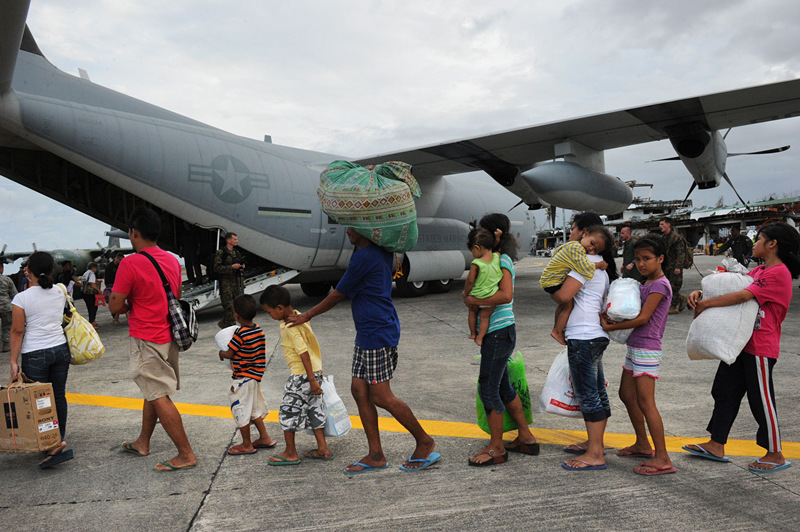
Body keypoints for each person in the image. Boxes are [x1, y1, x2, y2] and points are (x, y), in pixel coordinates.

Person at [286, 227, 438, 474]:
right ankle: (376, 455)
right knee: (358, 390)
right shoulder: (380, 251)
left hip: (377, 333)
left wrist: (307, 315)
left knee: (381, 396)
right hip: (368, 333)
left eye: (352, 227)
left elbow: (337, 295)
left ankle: (424, 441)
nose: (347, 231)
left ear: (365, 230)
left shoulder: (364, 257)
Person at [683, 222, 800, 473]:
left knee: (762, 400)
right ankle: (716, 443)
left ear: (772, 244)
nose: (754, 243)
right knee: (724, 391)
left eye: (759, 239)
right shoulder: (758, 271)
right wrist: (700, 294)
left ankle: (775, 453)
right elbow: (731, 288)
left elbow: (742, 296)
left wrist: (707, 305)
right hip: (740, 344)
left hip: (760, 348)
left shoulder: (779, 273)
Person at [110, 206, 197, 472]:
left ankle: (186, 454)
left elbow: (115, 305)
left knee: (158, 394)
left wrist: (126, 306)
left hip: (146, 337)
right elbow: (176, 294)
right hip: (169, 337)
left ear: (134, 233)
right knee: (153, 391)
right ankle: (142, 442)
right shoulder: (171, 259)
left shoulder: (130, 262)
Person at [464, 213, 540, 466]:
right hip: (498, 333)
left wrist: (474, 301)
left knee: (489, 389)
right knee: (504, 388)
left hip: (499, 332)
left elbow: (506, 295)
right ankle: (526, 438)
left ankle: (497, 448)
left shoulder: (502, 261)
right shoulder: (494, 260)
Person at [600, 234, 675, 475]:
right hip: (636, 347)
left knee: (646, 402)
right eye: (638, 259)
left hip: (647, 349)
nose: (642, 263)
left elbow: (643, 318)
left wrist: (610, 328)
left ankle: (662, 457)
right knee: (626, 394)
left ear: (660, 259)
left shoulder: (660, 285)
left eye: (647, 258)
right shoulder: (645, 283)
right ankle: (643, 443)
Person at [551, 214, 617, 470]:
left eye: (573, 229)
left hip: (583, 336)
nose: (571, 234)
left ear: (585, 233)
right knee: (597, 391)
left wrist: (552, 290)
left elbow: (564, 295)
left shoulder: (584, 262)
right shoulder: (602, 264)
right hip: (596, 336)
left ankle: (596, 453)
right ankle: (595, 444)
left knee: (588, 395)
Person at [9, 251, 74, 468]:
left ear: (29, 270)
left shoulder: (22, 298)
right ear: (53, 270)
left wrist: (13, 361)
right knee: (58, 396)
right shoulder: (60, 290)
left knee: (39, 402)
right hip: (60, 349)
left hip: (35, 353)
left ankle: (50, 444)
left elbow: (17, 331)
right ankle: (57, 439)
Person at [261, 285, 332, 465]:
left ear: (280, 308)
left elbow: (303, 353)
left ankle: (290, 452)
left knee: (287, 411)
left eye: (270, 312)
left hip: (302, 376)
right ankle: (323, 448)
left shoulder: (290, 326)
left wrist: (310, 380)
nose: (270, 316)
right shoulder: (299, 316)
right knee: (314, 408)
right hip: (316, 372)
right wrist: (315, 379)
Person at [218, 294, 276, 456]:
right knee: (254, 409)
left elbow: (230, 353)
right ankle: (264, 437)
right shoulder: (258, 330)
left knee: (241, 408)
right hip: (255, 377)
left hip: (243, 378)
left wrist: (221, 353)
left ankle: (246, 444)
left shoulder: (240, 334)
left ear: (236, 316)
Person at [540, 226, 610, 345]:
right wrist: (599, 265)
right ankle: (557, 331)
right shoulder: (577, 248)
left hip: (552, 280)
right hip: (553, 280)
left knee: (563, 306)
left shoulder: (572, 246)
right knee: (567, 306)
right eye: (592, 243)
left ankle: (557, 329)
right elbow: (584, 267)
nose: (591, 248)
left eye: (595, 249)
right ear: (585, 233)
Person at [462, 227, 503, 346]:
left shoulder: (476, 263)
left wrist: (466, 292)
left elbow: (469, 282)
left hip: (477, 295)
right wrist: (497, 237)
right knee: (485, 316)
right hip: (491, 295)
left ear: (477, 248)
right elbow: (494, 248)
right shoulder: (497, 257)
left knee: (472, 311)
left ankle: (473, 333)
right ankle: (480, 338)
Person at [213, 232, 245, 328]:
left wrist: (241, 266)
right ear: (228, 240)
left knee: (237, 307)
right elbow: (216, 268)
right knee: (229, 308)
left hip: (235, 282)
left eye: (236, 239)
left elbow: (240, 263)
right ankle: (231, 328)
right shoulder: (221, 253)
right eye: (234, 239)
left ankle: (225, 323)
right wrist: (231, 267)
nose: (236, 241)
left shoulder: (236, 253)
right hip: (225, 283)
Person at [659, 217, 689, 314]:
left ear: (668, 225)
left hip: (675, 266)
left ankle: (674, 306)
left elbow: (681, 254)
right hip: (666, 266)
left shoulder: (676, 238)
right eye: (660, 224)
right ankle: (681, 298)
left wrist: (678, 267)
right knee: (667, 286)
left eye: (662, 224)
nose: (660, 226)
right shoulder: (663, 237)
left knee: (674, 286)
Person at [0, 263, 18, 352]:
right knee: (7, 326)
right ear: (1, 269)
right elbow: (14, 294)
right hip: (6, 307)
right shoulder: (7, 280)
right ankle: (6, 345)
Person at [179, 221, 203, 287]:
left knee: (196, 265)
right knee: (188, 266)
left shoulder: (194, 232)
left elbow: (198, 242)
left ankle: (199, 280)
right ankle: (191, 279)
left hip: (193, 250)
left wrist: (198, 249)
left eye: (186, 223)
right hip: (186, 251)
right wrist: (180, 252)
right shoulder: (184, 233)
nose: (185, 225)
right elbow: (181, 243)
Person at [104, 252, 125, 324]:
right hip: (111, 286)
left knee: (119, 302)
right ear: (116, 259)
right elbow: (108, 279)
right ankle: (115, 318)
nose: (121, 262)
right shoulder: (110, 267)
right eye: (120, 260)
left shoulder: (119, 266)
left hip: (117, 286)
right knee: (115, 302)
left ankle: (115, 318)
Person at [80, 262, 101, 328]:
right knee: (93, 307)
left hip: (84, 292)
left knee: (90, 307)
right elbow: (92, 283)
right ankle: (92, 322)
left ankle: (93, 321)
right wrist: (98, 289)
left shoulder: (85, 273)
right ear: (93, 268)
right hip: (90, 293)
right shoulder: (91, 273)